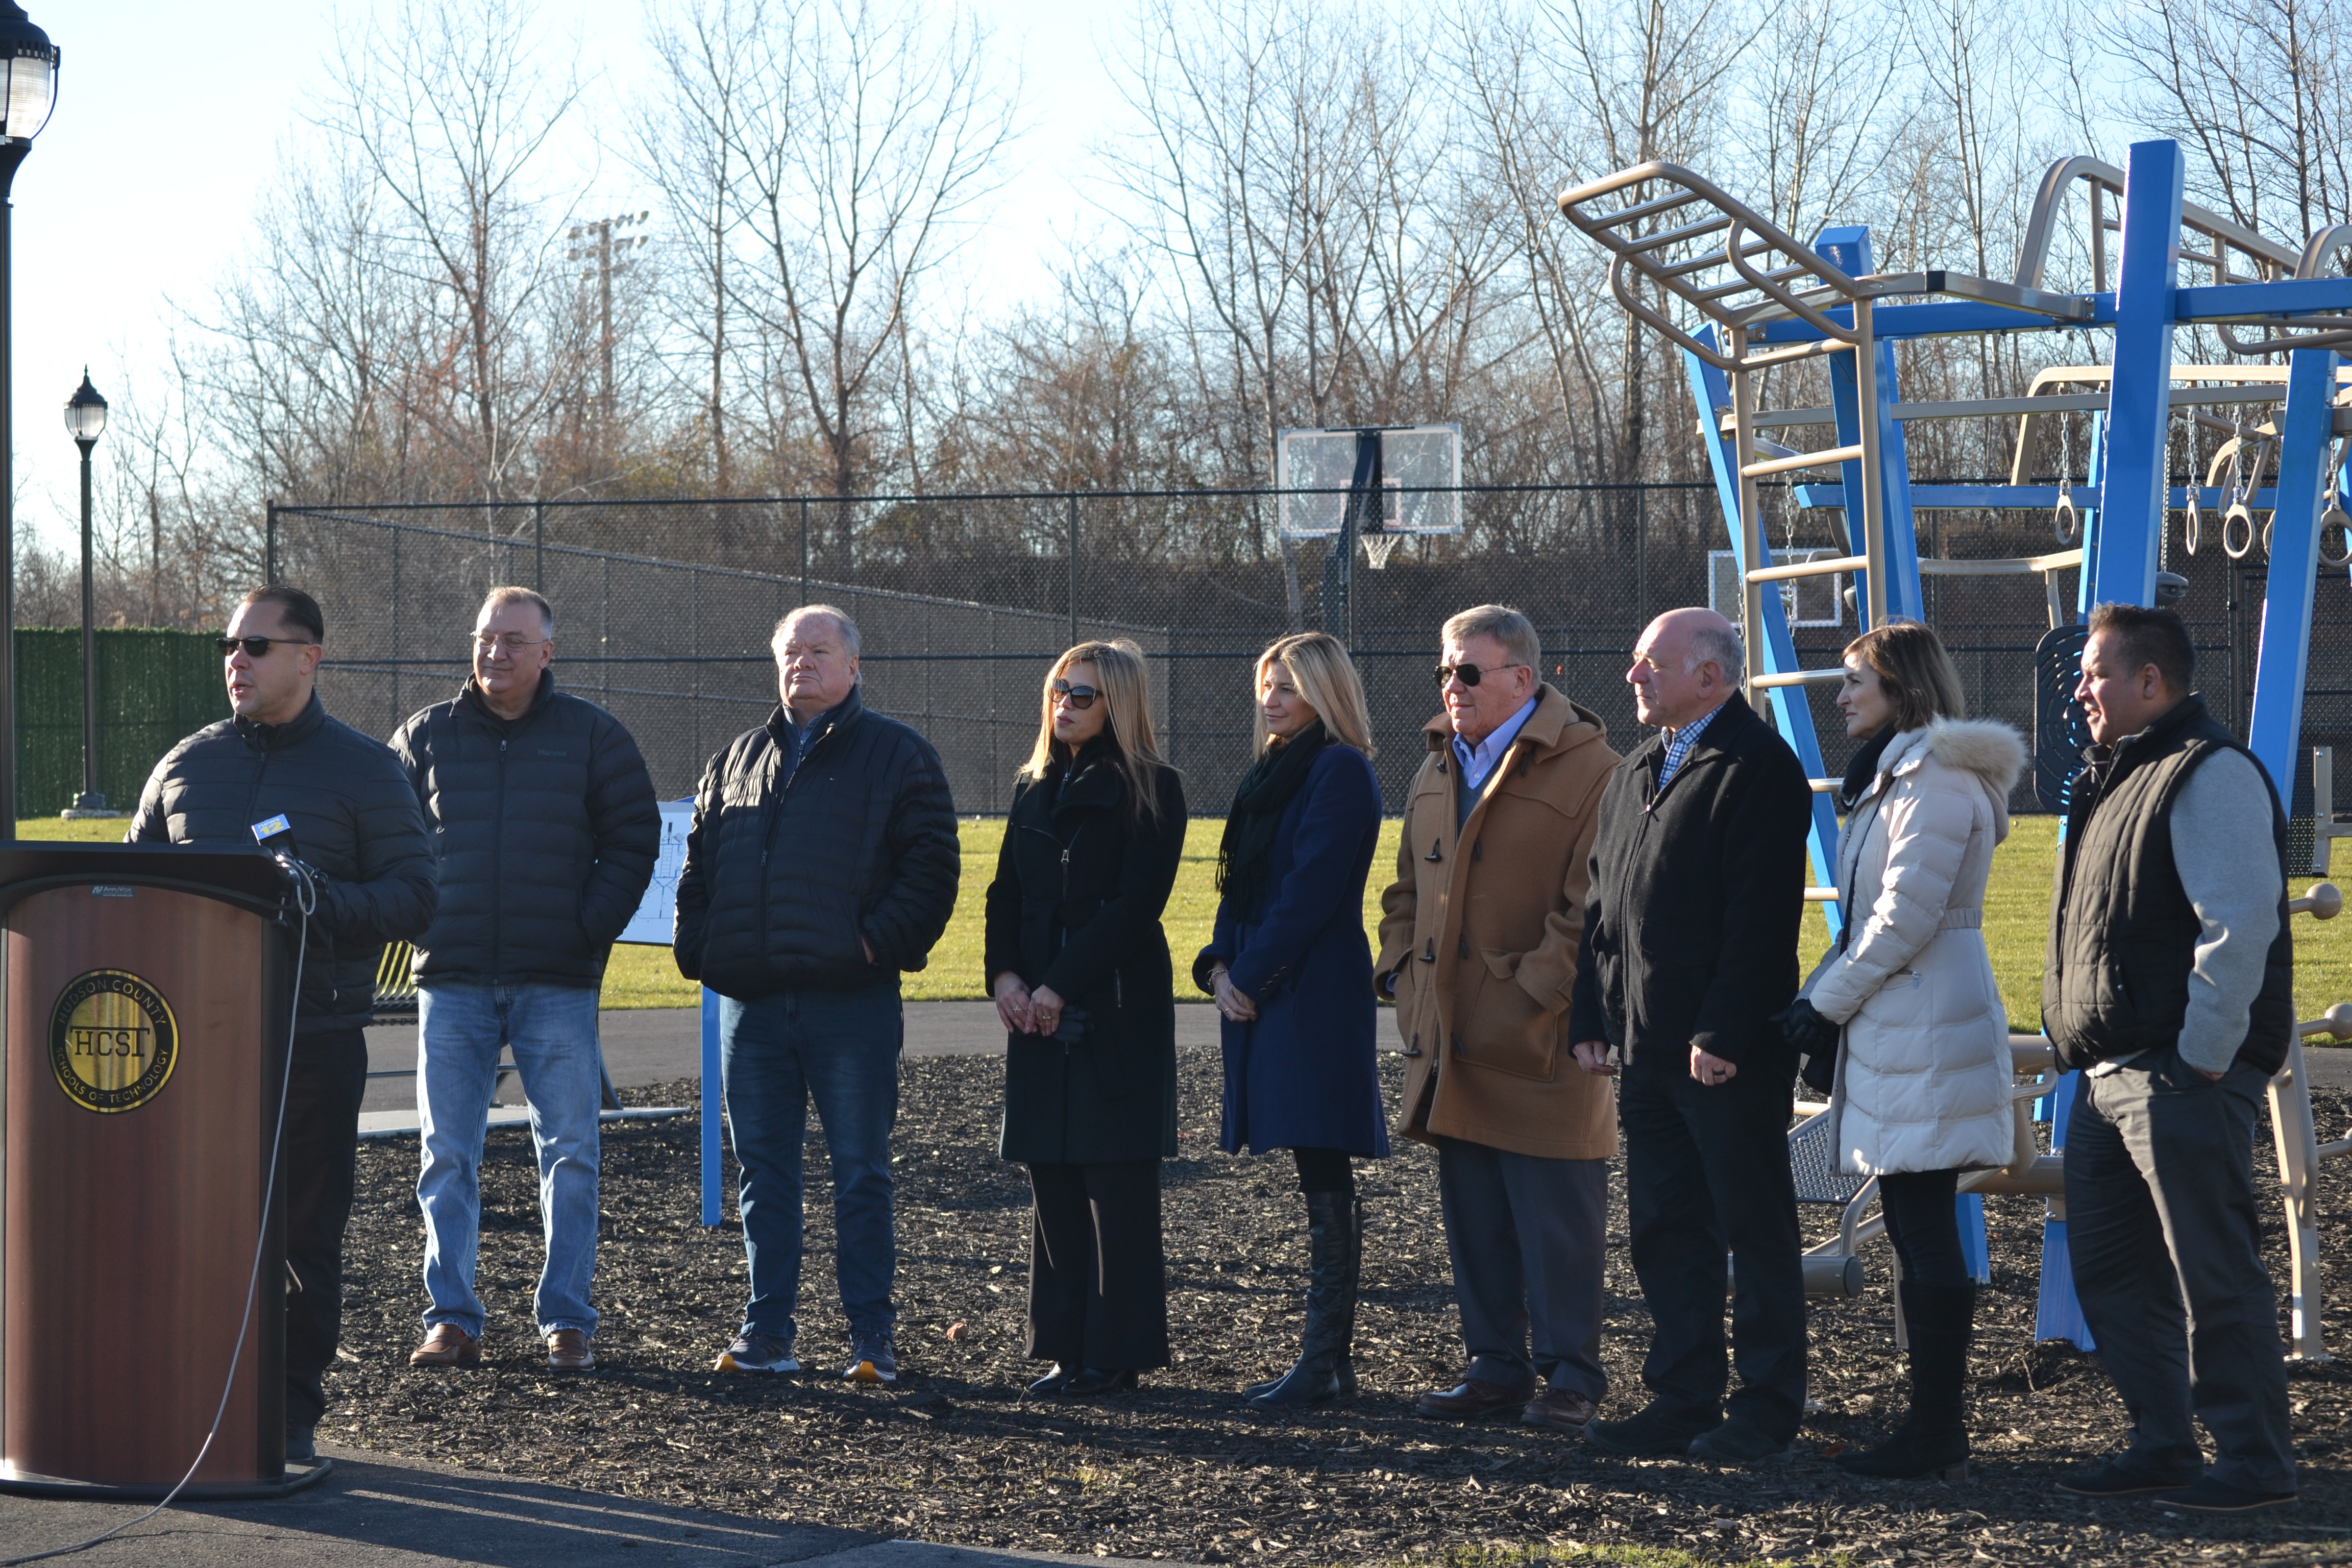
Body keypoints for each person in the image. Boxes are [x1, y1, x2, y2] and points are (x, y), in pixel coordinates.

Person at [128, 584, 437, 1463]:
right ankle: (191, 1394)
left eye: (259, 646)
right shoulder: (184, 767)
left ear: (311, 657)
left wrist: (316, 898)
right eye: (230, 645)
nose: (238, 660)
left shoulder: (366, 771)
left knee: (302, 1235)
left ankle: (290, 1409)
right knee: (190, 1223)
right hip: (188, 1049)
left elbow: (416, 897)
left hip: (312, 1042)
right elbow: (123, 892)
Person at [2041, 602, 2297, 1513]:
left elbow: (2240, 924)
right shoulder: (2114, 777)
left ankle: (2255, 1460)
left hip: (2177, 1074)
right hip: (2111, 1073)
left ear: (2152, 683)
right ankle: (2163, 1442)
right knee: (2112, 1271)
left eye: (2097, 673)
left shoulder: (2208, 772)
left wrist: (2203, 1057)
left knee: (2211, 1269)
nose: (2081, 689)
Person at [675, 604, 960, 1384]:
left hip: (850, 1005)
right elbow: (696, 868)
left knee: (860, 1170)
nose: (802, 663)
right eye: (790, 652)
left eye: (819, 651)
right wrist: (702, 951)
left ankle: (872, 1338)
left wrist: (869, 947)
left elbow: (931, 871)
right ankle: (768, 1334)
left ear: (854, 667)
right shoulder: (735, 758)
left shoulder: (900, 756)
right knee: (763, 1174)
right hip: (752, 1006)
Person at [1774, 621, 2026, 1481]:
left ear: (1904, 689)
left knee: (1922, 1227)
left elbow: (1904, 922)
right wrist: (1820, 997)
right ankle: (1931, 1423)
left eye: (1857, 681)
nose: (1842, 695)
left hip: (1925, 1016)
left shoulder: (1935, 780)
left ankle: (1936, 1429)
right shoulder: (1898, 777)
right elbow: (1866, 920)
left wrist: (1824, 1003)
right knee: (1918, 1224)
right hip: (1907, 1015)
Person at [391, 586, 661, 1374]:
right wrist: (425, 921)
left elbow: (633, 837)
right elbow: (383, 834)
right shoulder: (426, 736)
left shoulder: (592, 737)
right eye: (484, 638)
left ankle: (568, 1320)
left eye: (513, 640)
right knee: (447, 1154)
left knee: (570, 1152)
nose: (494, 653)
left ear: (548, 653)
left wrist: (587, 926)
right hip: (453, 978)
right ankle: (451, 1317)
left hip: (559, 980)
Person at [1569, 606, 1812, 1464]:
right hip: (1643, 1049)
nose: (1634, 675)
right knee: (1668, 1227)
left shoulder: (1758, 769)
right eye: (1638, 661)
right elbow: (1600, 911)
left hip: (1721, 1056)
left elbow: (1759, 923)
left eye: (1652, 663)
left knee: (1753, 1224)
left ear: (1711, 676)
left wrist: (1722, 1029)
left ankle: (1769, 1403)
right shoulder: (1639, 768)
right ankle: (1684, 1394)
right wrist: (1590, 1018)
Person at [1374, 605, 1621, 1435]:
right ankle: (1495, 1366)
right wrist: (1403, 977)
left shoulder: (1592, 768)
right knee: (1474, 1211)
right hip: (1450, 1042)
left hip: (1539, 1040)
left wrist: (1527, 998)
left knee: (1556, 1219)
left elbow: (1590, 909)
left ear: (1523, 677)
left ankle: (1571, 1378)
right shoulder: (1438, 763)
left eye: (1468, 672)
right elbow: (1406, 888)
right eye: (1445, 671)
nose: (1452, 686)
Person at [986, 641, 1188, 1397]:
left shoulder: (1154, 789)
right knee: (1054, 1179)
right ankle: (1067, 1348)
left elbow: (1138, 907)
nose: (1064, 705)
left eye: (1083, 695)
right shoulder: (1032, 786)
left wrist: (1060, 987)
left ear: (1119, 705)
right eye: (1058, 691)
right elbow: (1004, 893)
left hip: (1115, 1011)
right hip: (1035, 1010)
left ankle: (1118, 1353)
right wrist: (1005, 977)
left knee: (1116, 1184)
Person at [1195, 631, 1388, 1410]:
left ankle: (1324, 1359)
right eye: (1266, 684)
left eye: (1287, 687)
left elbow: (1312, 891)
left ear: (1325, 694)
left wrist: (1250, 973)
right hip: (1268, 982)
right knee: (1313, 1160)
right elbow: (1242, 883)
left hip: (1311, 990)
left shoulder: (1339, 768)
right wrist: (1215, 965)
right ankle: (1325, 1361)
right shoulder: (1270, 771)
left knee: (1322, 1156)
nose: (1270, 699)